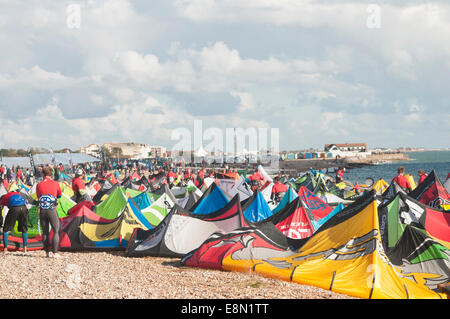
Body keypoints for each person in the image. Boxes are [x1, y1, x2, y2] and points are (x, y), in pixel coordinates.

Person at [36, 166, 62, 258]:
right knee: (56, 230)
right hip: (52, 210)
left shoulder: (39, 184)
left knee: (45, 232)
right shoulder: (55, 183)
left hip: (42, 210)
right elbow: (59, 196)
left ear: (43, 174)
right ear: (51, 174)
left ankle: (47, 253)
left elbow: (38, 197)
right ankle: (55, 253)